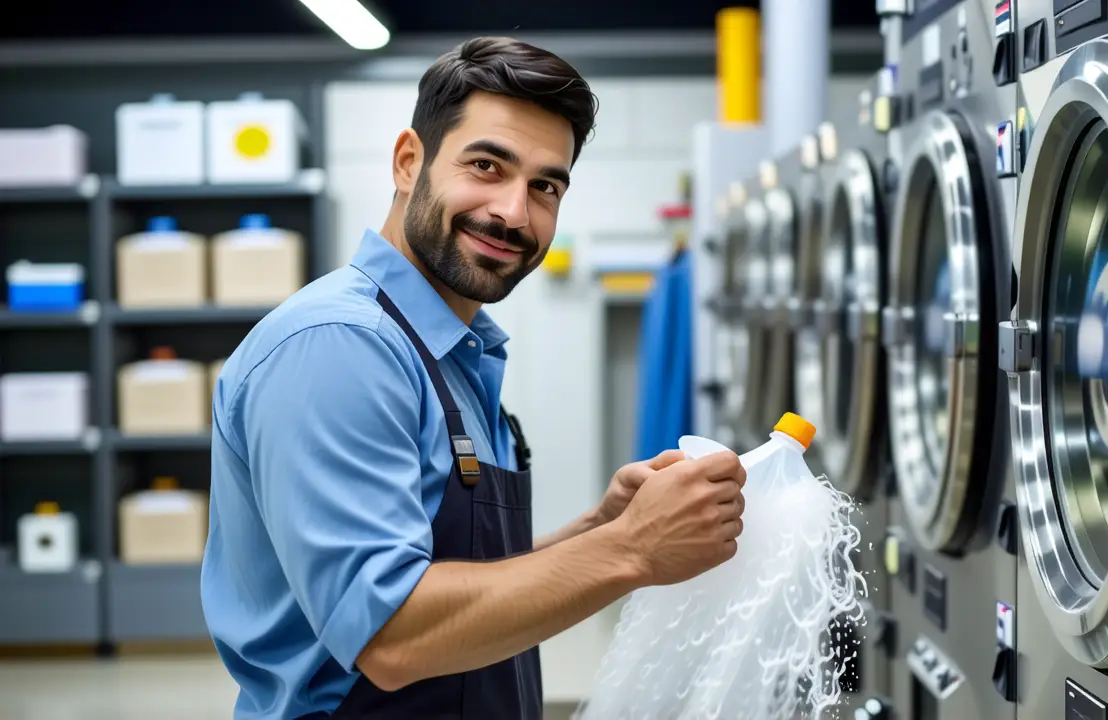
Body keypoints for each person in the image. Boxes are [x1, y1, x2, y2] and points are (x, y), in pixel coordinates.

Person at [200, 36, 748, 720]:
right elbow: (391, 634)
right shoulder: (341, 346)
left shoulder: (456, 351)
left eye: (545, 186)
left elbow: (456, 582)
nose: (514, 213)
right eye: (487, 165)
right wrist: (632, 547)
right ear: (409, 162)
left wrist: (600, 527)